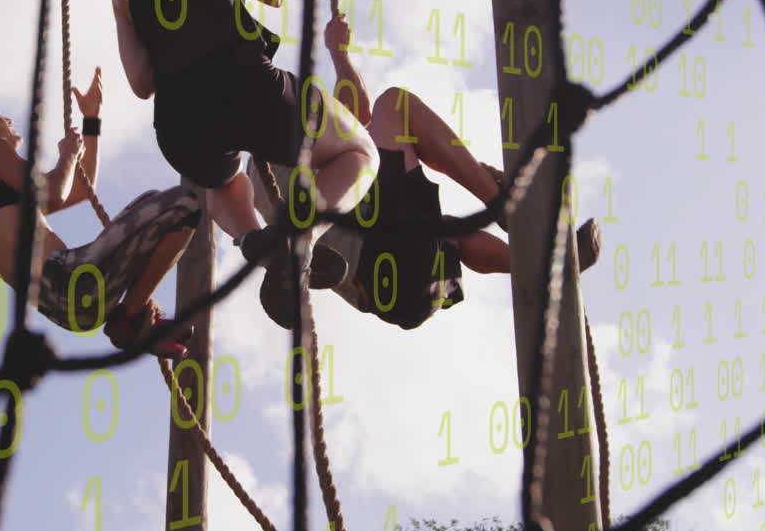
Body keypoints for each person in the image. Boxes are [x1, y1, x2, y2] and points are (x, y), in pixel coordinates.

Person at [109, 0, 380, 327]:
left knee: (219, 180)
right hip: (246, 86)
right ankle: (302, 238)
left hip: (178, 123)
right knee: (360, 153)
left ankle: (258, 244)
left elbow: (140, 81)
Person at [251, 17, 602, 330]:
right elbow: (359, 115)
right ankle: (501, 205)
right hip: (386, 256)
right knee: (395, 106)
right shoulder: (282, 135)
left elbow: (354, 125)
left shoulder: (257, 176)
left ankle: (541, 268)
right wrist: (339, 54)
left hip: (400, 295)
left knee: (444, 227)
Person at [0, 67, 201, 358]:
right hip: (69, 280)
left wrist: (91, 120)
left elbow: (82, 191)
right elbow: (53, 194)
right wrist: (68, 155)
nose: (7, 119)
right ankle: (130, 317)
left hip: (71, 308)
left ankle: (133, 318)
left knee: (154, 201)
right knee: (183, 204)